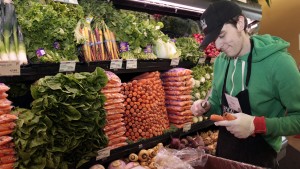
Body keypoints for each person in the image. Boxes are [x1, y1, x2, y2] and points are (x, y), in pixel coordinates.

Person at [191, 1, 300, 168]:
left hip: (259, 157)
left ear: (240, 23)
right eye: (214, 40)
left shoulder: (279, 63)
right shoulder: (221, 61)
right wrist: (207, 108)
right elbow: (216, 104)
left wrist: (255, 125)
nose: (218, 46)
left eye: (221, 35)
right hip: (224, 154)